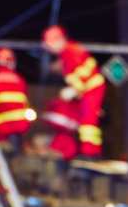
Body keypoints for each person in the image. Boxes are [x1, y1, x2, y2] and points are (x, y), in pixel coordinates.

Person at [41, 25, 107, 156]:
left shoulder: (70, 51)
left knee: (88, 124)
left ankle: (91, 153)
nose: (50, 49)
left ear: (57, 40)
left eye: (50, 45)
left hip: (92, 88)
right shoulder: (68, 53)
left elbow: (83, 72)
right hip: (88, 91)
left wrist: (73, 90)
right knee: (87, 123)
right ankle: (90, 152)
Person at [0, 47, 35, 149]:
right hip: (21, 124)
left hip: (0, 125)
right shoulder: (20, 79)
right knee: (14, 154)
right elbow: (25, 102)